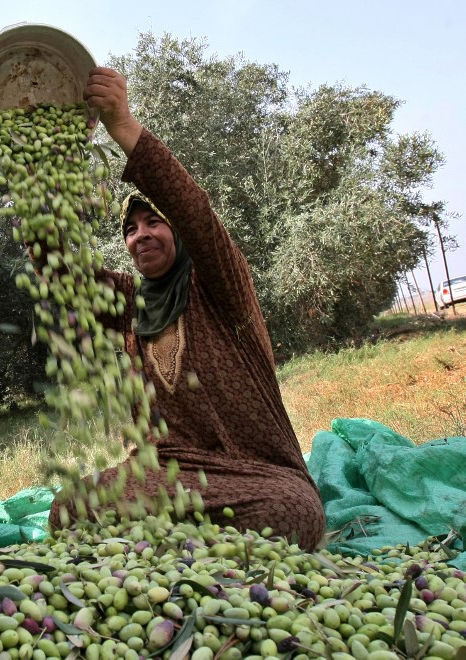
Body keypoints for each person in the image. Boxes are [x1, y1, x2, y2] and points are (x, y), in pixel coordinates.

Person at [48, 67, 326, 549]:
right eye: (130, 229)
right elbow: (64, 274)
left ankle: (161, 547)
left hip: (250, 472)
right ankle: (194, 548)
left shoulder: (219, 285)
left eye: (154, 221)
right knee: (67, 509)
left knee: (294, 512)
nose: (140, 235)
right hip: (164, 473)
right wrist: (42, 179)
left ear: (176, 231)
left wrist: (123, 126)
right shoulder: (131, 303)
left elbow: (197, 213)